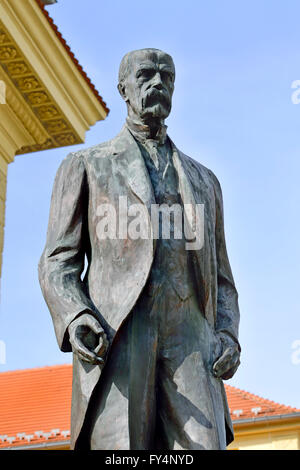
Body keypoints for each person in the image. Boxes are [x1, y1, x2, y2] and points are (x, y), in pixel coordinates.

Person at [39, 48, 241, 450]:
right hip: (120, 336)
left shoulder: (205, 181)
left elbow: (222, 281)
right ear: (124, 89)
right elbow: (57, 262)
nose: (158, 83)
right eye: (146, 75)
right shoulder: (85, 166)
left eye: (167, 77)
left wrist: (227, 334)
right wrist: (76, 315)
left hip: (192, 343)